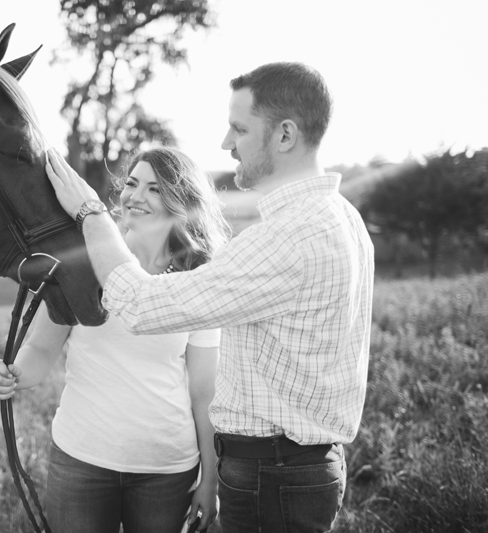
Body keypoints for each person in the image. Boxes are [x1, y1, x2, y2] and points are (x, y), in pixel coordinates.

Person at [44, 62, 374, 533]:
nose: (226, 143)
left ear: (285, 135)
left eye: (239, 128)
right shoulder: (342, 217)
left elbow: (141, 306)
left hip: (273, 475)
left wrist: (91, 216)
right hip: (292, 470)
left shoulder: (288, 238)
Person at [0, 146, 232, 533]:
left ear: (180, 200)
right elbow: (41, 347)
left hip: (167, 469)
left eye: (153, 188)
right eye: (132, 183)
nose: (135, 196)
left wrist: (210, 479)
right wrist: (14, 374)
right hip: (81, 460)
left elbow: (204, 391)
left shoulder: (197, 280)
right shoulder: (80, 261)